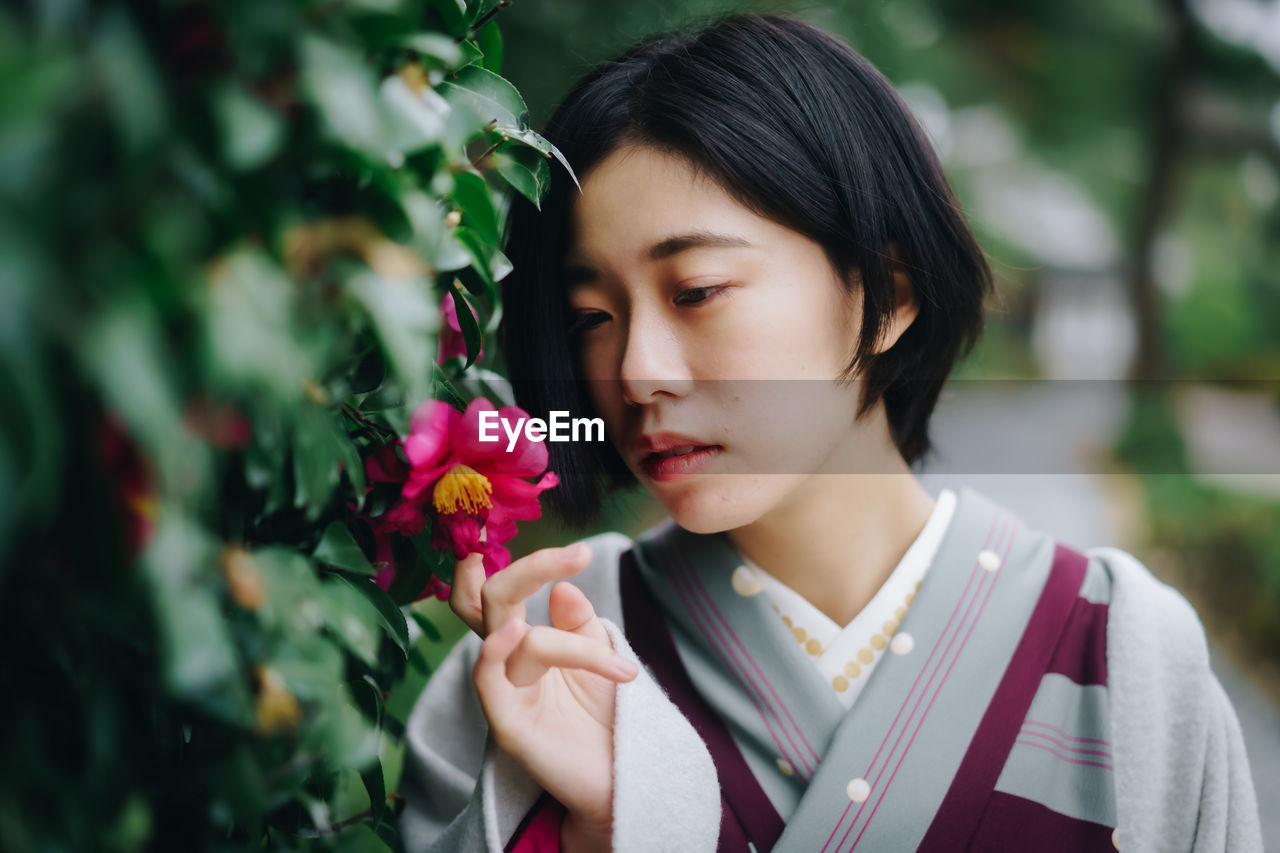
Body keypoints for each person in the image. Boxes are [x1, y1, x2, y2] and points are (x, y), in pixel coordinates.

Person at [397, 12, 1263, 852]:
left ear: (888, 293)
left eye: (696, 290)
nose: (635, 371)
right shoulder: (533, 663)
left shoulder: (1128, 656)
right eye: (592, 317)